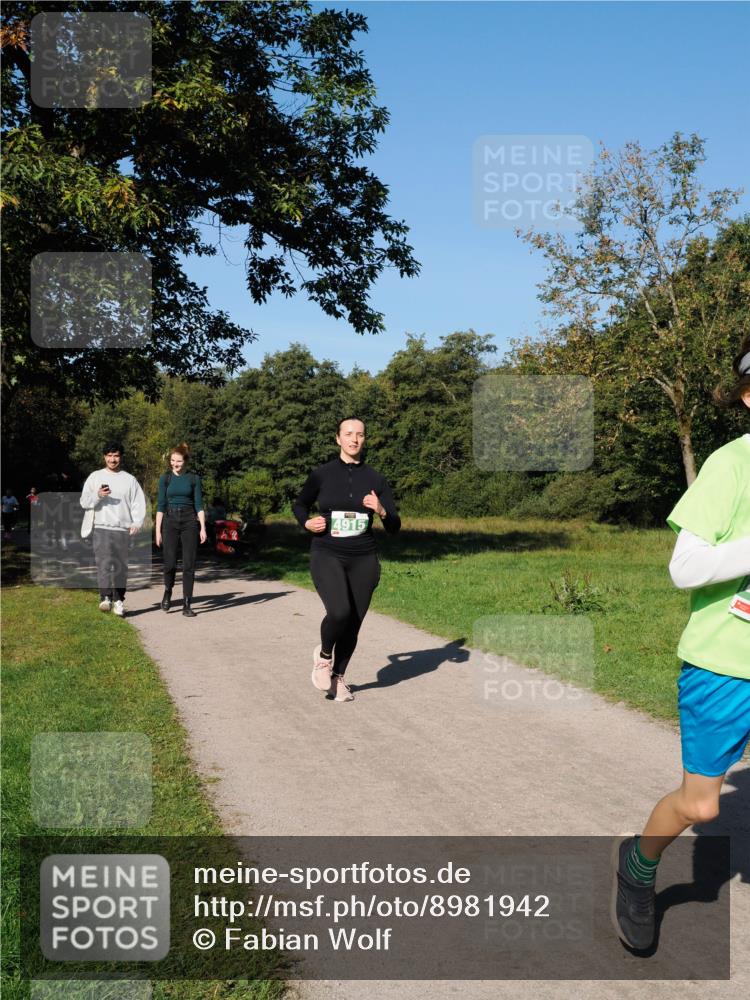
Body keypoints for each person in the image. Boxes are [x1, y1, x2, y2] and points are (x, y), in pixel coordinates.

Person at [611, 338, 750, 951]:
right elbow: (685, 568)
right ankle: (637, 867)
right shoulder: (732, 465)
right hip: (726, 664)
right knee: (700, 808)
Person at [292, 417, 401, 702]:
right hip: (327, 551)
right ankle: (323, 657)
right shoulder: (322, 474)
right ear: (338, 438)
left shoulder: (375, 479)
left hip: (364, 557)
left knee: (353, 623)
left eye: (360, 434)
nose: (354, 439)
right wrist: (306, 522)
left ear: (365, 439)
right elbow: (300, 504)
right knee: (339, 611)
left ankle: (338, 678)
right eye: (349, 434)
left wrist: (382, 510)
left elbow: (394, 526)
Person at [80, 442, 147, 617]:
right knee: (103, 564)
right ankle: (105, 598)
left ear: (121, 457)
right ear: (104, 457)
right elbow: (84, 501)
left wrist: (137, 523)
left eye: (116, 455)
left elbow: (138, 504)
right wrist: (98, 495)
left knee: (120, 567)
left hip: (123, 530)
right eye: (109, 456)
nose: (112, 459)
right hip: (101, 528)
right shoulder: (95, 477)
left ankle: (118, 601)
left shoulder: (130, 480)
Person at [154, 443, 207, 617]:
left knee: (189, 564)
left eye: (178, 461)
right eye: (172, 460)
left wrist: (203, 527)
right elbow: (161, 506)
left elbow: (199, 505)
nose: (174, 464)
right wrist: (157, 531)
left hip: (189, 521)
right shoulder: (165, 478)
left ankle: (187, 604)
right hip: (170, 521)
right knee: (170, 563)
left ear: (186, 461)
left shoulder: (194, 479)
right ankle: (168, 590)